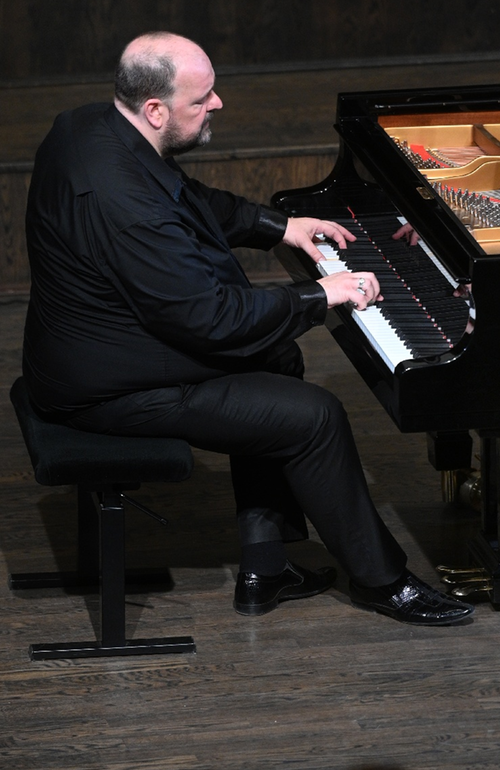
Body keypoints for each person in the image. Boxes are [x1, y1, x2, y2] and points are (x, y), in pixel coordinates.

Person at [22, 31, 473, 628]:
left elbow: (186, 199)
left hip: (87, 348)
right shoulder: (126, 207)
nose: (218, 104)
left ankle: (266, 565)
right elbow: (212, 321)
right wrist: (321, 294)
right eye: (201, 98)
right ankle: (384, 581)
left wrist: (279, 226)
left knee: (278, 358)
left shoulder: (86, 126)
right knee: (313, 417)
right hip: (108, 385)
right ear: (154, 109)